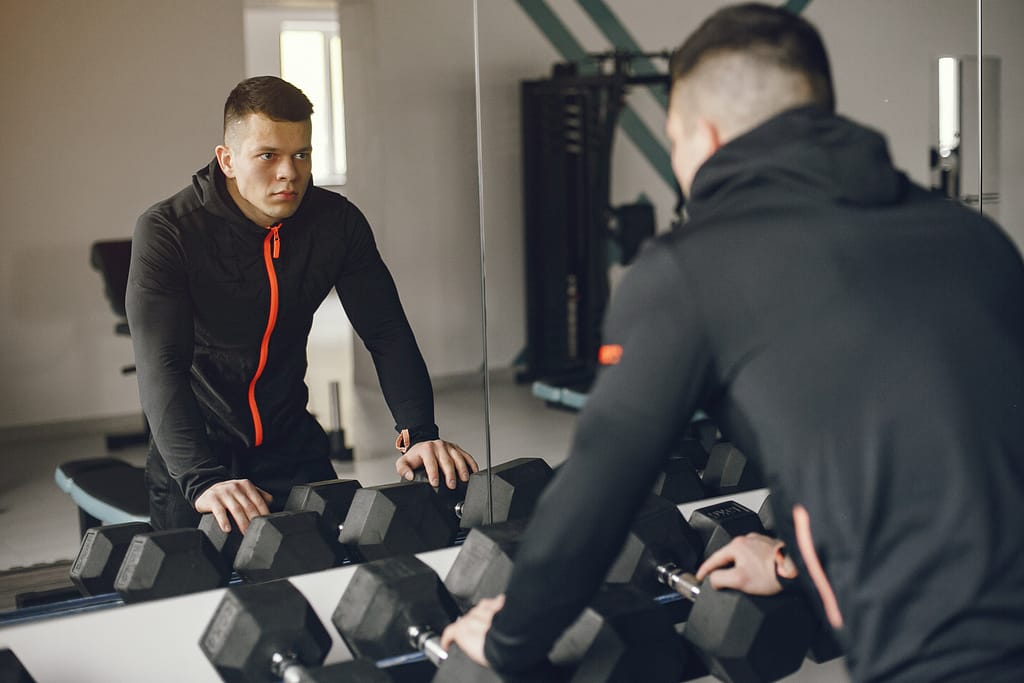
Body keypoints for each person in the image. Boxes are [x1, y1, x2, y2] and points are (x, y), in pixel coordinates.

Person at [441, 4, 1024, 682]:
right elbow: (947, 463)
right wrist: (792, 562)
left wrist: (510, 636)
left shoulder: (691, 268)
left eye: (674, 144)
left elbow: (599, 490)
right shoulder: (976, 242)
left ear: (703, 135)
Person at [126, 76, 477, 534]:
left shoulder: (336, 223)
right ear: (227, 160)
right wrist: (201, 478)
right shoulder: (170, 231)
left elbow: (386, 331)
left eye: (301, 155)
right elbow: (162, 364)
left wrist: (420, 432)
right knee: (201, 595)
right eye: (268, 156)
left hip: (292, 442)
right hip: (199, 454)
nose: (288, 173)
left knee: (339, 568)